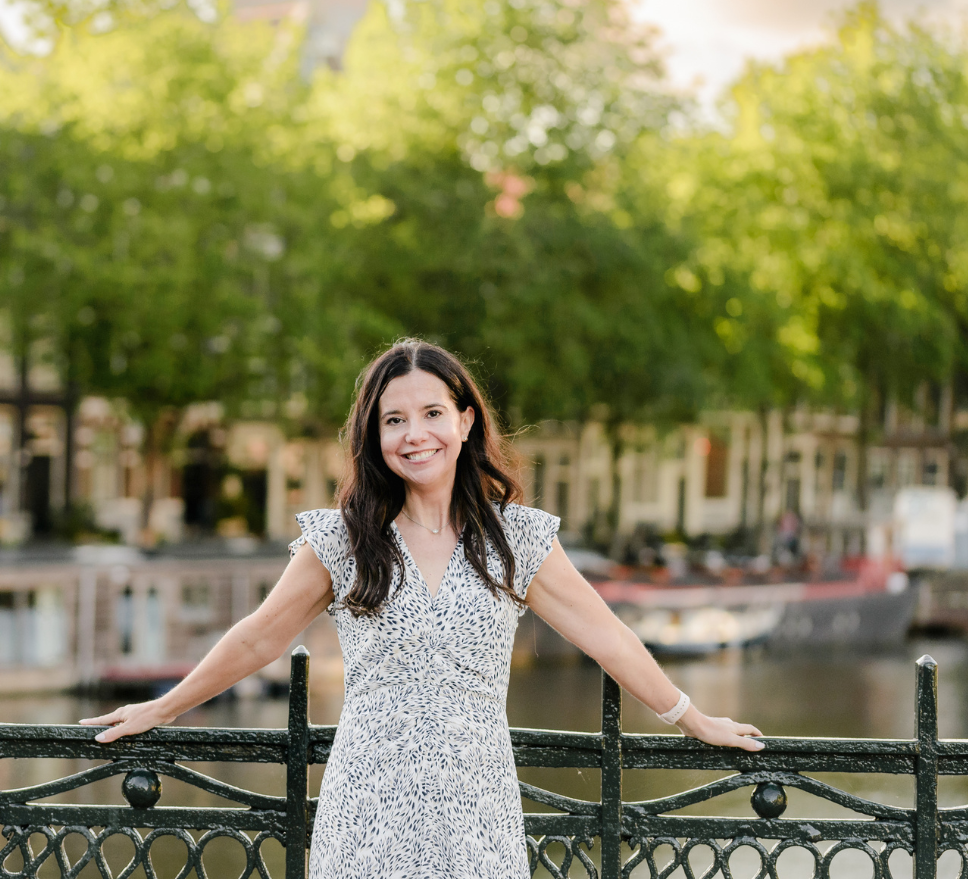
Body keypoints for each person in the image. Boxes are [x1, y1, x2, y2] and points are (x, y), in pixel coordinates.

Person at [83, 339, 763, 878]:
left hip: (477, 809)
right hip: (369, 805)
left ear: (466, 421)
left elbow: (607, 637)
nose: (415, 434)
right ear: (374, 436)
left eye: (432, 413)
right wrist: (159, 708)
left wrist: (691, 718)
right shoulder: (343, 539)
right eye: (394, 420)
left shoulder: (517, 539)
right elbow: (259, 637)